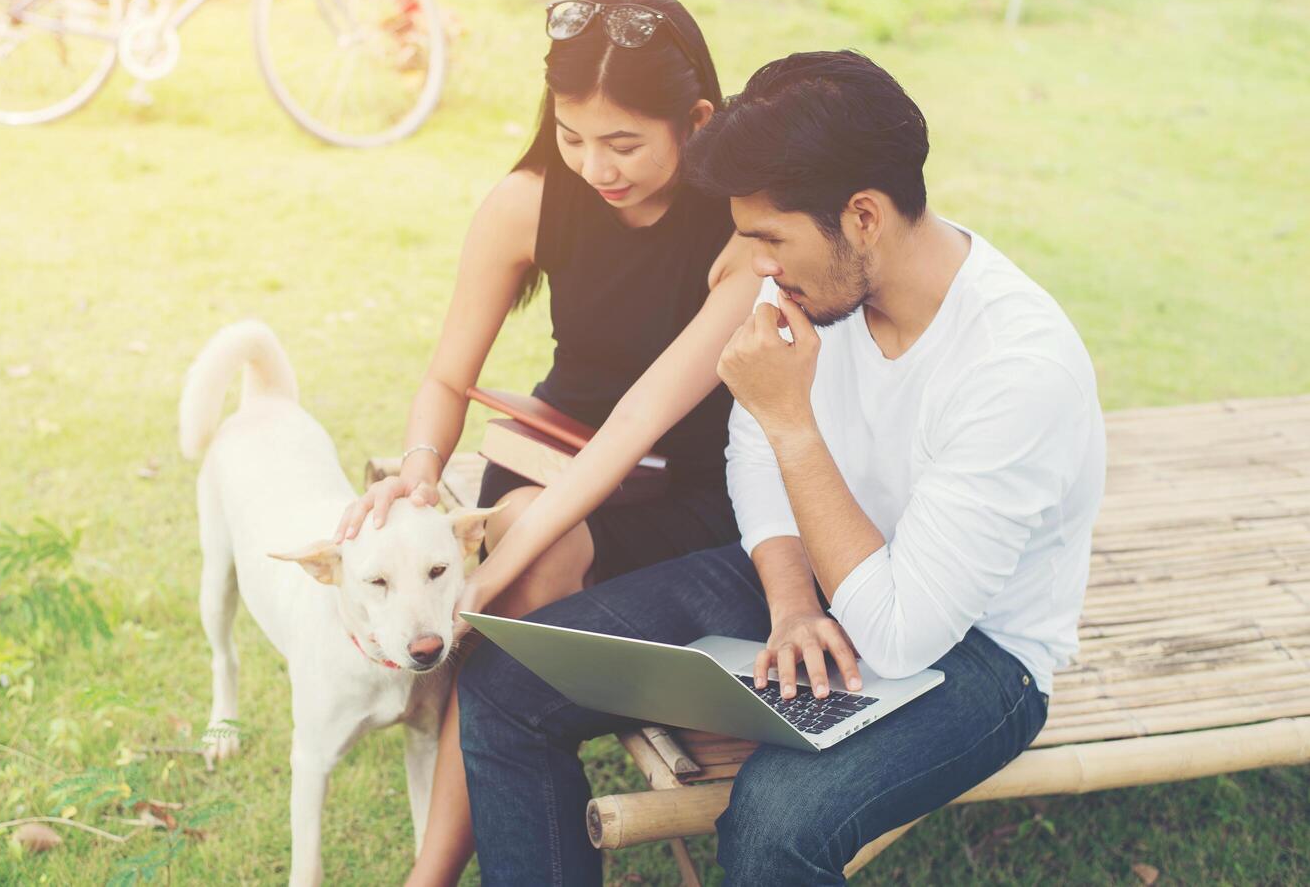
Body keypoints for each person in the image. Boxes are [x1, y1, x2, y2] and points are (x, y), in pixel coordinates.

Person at [457, 49, 1108, 885]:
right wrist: (790, 600)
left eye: (769, 237)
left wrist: (792, 421)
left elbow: (901, 632)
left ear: (863, 217)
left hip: (977, 652)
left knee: (773, 819)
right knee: (511, 683)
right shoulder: (814, 284)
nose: (755, 266)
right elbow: (752, 447)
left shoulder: (1015, 369)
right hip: (814, 570)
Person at [334, 0, 764, 886]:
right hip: (553, 458)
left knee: (524, 558)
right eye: (571, 136)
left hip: (686, 492)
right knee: (530, 548)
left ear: (696, 120)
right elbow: (447, 376)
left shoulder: (740, 233)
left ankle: (432, 873)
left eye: (622, 143)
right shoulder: (527, 201)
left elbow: (643, 419)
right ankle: (440, 868)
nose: (594, 166)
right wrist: (419, 476)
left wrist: (491, 567)